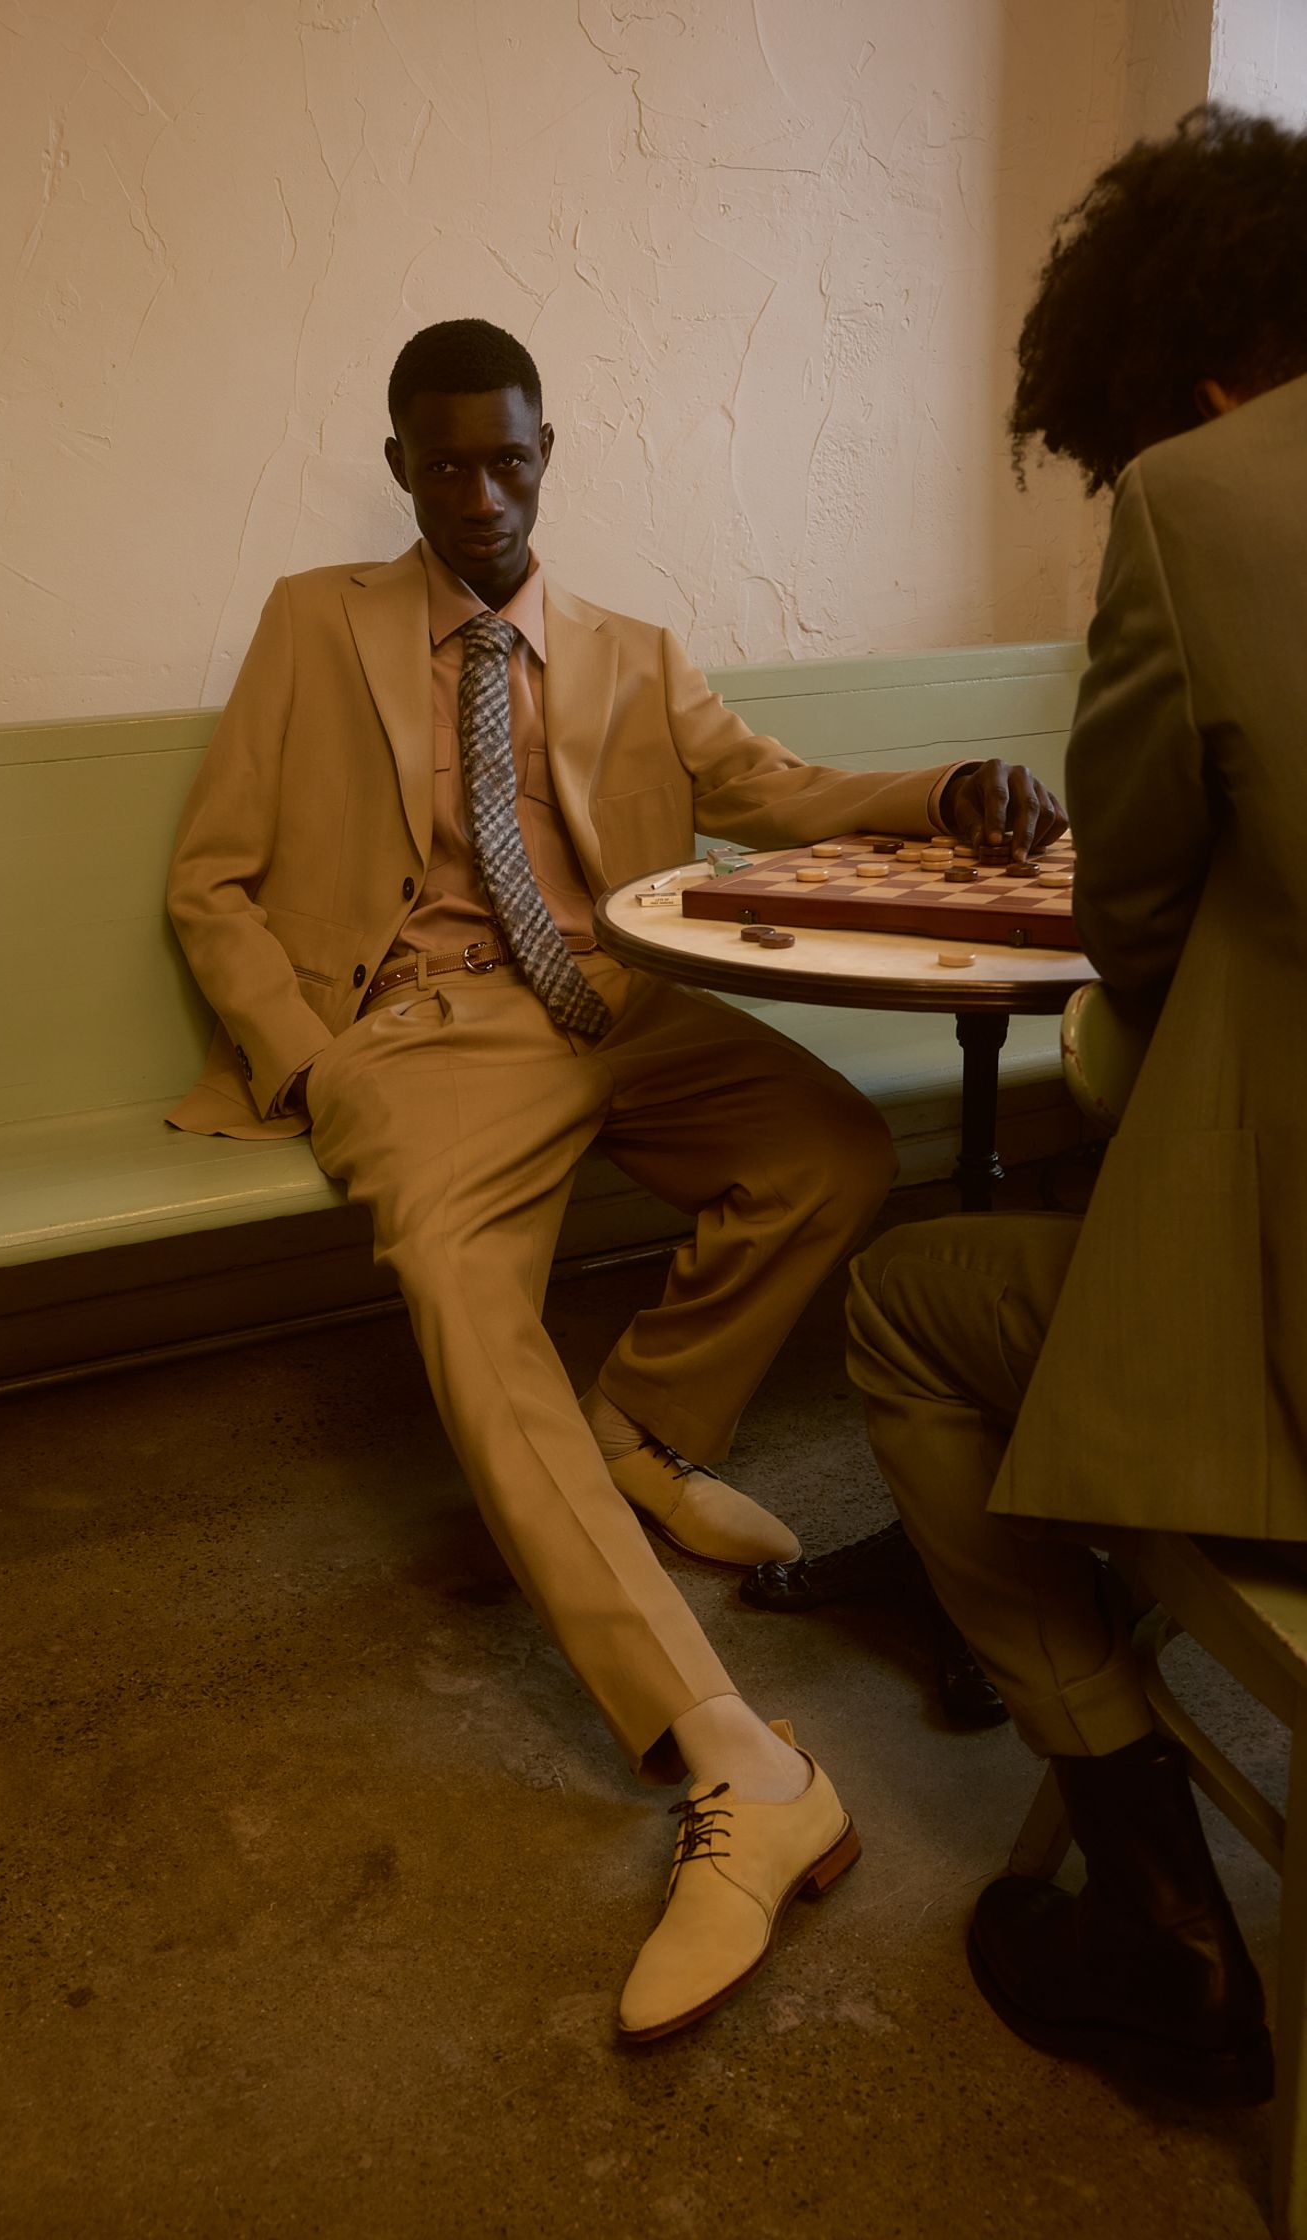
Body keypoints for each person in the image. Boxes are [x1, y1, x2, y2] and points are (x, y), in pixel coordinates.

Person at [166, 316, 1061, 2039]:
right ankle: (734, 1754)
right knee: (463, 1297)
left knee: (831, 1148)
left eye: (508, 459)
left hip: (631, 1002)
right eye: (444, 463)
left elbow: (776, 792)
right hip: (426, 1030)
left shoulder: (630, 651)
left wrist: (947, 788)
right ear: (400, 465)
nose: (479, 492)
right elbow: (209, 881)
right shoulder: (311, 624)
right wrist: (313, 1058)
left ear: (548, 454)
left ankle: (640, 1431)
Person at [844, 104, 1307, 2105]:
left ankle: (1171, 1927)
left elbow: (1127, 916)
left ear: (1188, 384)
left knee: (909, 1300)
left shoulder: (1206, 504)